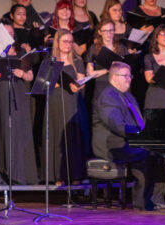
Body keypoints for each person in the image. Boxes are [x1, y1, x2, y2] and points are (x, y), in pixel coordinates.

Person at [92, 61, 159, 210]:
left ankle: (147, 199)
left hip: (125, 142)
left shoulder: (128, 96)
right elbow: (118, 126)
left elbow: (139, 122)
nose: (129, 79)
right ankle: (142, 201)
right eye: (125, 76)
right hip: (111, 145)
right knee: (147, 154)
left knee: (155, 152)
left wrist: (147, 134)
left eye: (130, 75)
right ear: (114, 77)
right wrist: (141, 135)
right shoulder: (108, 96)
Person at [0, 18, 38, 185]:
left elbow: (30, 76)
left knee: (16, 132)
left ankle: (18, 174)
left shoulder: (20, 51)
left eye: (12, 33)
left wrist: (21, 73)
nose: (10, 35)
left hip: (16, 95)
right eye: (6, 33)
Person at [43, 29, 91, 186]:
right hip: (57, 102)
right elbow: (45, 85)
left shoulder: (77, 61)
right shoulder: (50, 61)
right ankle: (58, 175)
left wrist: (78, 85)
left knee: (74, 136)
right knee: (58, 135)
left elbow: (81, 82)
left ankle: (76, 174)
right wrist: (59, 83)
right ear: (57, 43)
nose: (68, 45)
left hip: (73, 101)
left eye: (70, 42)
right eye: (64, 41)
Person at [85, 18, 129, 102]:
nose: (108, 34)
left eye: (111, 30)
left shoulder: (122, 48)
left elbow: (128, 69)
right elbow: (90, 73)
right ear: (99, 32)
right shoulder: (93, 48)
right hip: (102, 87)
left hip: (119, 86)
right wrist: (107, 70)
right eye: (105, 31)